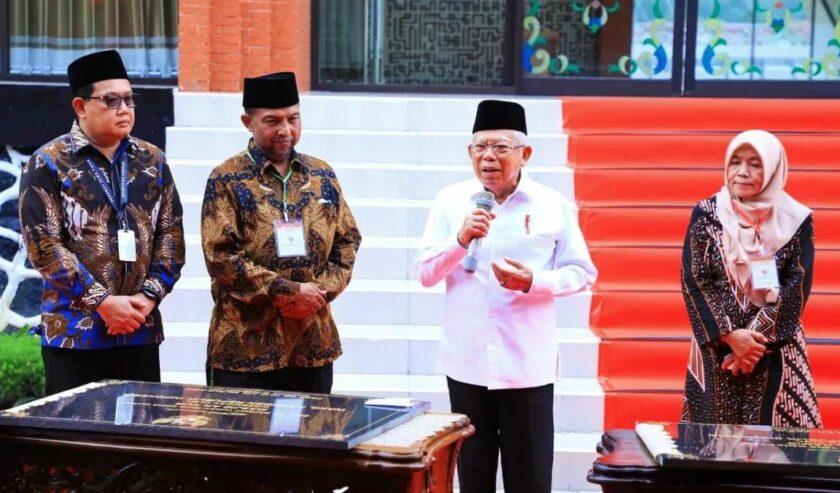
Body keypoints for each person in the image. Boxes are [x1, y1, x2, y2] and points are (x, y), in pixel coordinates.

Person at [414, 100, 597, 493]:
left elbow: (583, 274)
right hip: (466, 364)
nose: (488, 157)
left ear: (525, 154)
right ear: (469, 153)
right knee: (473, 478)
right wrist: (459, 240)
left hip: (527, 367)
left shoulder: (551, 204)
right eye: (480, 148)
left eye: (500, 147)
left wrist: (534, 282)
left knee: (529, 480)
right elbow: (425, 273)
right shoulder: (451, 202)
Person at [18, 49, 185, 395]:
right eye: (111, 100)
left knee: (138, 438)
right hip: (75, 334)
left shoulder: (152, 160)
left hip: (139, 328)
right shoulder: (48, 163)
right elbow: (44, 247)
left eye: (129, 99)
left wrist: (149, 296)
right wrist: (103, 302)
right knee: (76, 442)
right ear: (80, 106)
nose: (124, 109)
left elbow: (170, 233)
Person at [201, 72, 361, 394]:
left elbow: (348, 240)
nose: (285, 130)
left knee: (310, 441)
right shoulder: (226, 179)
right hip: (245, 347)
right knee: (244, 442)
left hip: (311, 343)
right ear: (248, 122)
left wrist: (317, 294)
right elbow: (221, 257)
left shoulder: (321, 174)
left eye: (293, 119)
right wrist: (288, 291)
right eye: (273, 121)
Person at [681, 129, 821, 428]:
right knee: (711, 444)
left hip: (774, 348)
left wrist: (753, 345)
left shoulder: (796, 219)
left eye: (755, 164)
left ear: (773, 169)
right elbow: (695, 280)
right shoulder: (707, 214)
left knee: (777, 447)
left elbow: (797, 284)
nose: (742, 173)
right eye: (736, 162)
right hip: (716, 347)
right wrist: (731, 336)